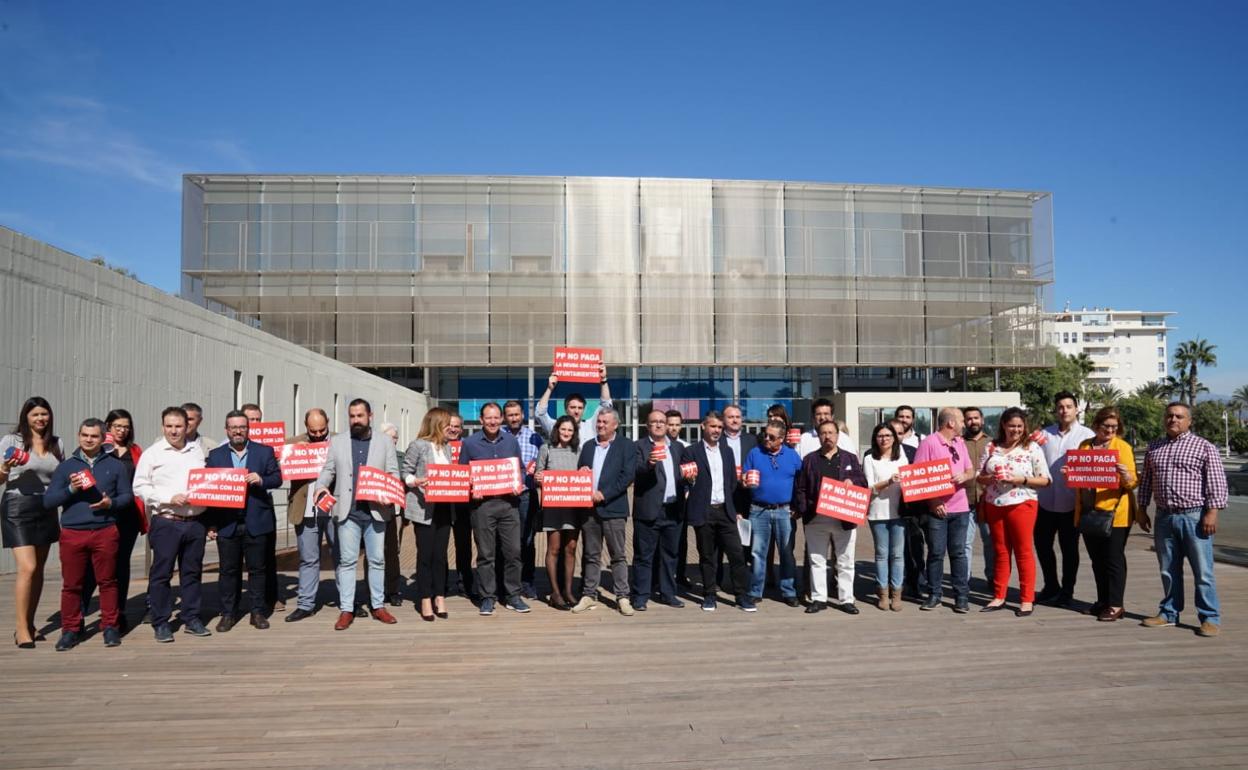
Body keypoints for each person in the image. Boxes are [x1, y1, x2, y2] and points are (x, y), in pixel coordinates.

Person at [1137, 402, 1228, 637]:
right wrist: (1142, 507)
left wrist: (1212, 512)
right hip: (1164, 517)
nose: (1173, 420)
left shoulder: (1204, 447)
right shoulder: (1154, 447)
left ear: (1189, 421)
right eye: (1169, 416)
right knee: (1168, 569)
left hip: (1194, 516)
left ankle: (1209, 617)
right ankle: (1169, 612)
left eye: (1179, 416)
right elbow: (1146, 480)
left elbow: (1216, 482)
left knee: (1203, 571)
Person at [45, 418, 132, 650]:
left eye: (94, 436)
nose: (88, 439)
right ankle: (71, 629)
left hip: (105, 530)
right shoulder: (66, 466)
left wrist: (109, 503)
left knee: (108, 581)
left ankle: (110, 626)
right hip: (74, 532)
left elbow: (127, 497)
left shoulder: (116, 466)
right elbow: (49, 500)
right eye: (84, 435)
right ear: (78, 435)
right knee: (72, 584)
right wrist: (71, 489)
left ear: (103, 438)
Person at [316, 398, 401, 630]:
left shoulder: (384, 442)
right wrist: (320, 486)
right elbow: (328, 470)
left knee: (376, 560)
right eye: (352, 416)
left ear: (370, 416)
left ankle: (378, 606)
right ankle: (346, 609)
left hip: (376, 511)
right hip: (347, 512)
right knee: (347, 562)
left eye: (360, 416)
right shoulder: (338, 442)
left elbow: (393, 473)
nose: (355, 420)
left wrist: (388, 492)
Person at [133, 406, 211, 643]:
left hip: (195, 521)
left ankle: (191, 618)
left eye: (179, 426)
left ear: (187, 427)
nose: (174, 431)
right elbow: (140, 486)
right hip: (167, 521)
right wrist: (168, 497)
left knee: (192, 573)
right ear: (162, 426)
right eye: (169, 426)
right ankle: (161, 621)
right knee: (161, 574)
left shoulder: (197, 451)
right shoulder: (153, 453)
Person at [206, 410, 282, 631]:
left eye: (242, 427)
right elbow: (210, 492)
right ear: (226, 430)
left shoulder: (264, 451)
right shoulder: (215, 455)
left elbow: (277, 478)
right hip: (227, 521)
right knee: (228, 570)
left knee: (258, 569)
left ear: (249, 429)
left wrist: (262, 479)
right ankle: (228, 613)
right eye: (233, 427)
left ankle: (257, 612)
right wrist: (210, 523)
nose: (238, 431)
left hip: (256, 520)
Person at [1, 397, 64, 648]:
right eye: (35, 414)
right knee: (26, 568)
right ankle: (20, 628)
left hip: (46, 507)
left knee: (37, 570)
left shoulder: (57, 443)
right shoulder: (12, 441)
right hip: (18, 505)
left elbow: (60, 477)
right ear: (26, 417)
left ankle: (30, 622)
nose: (40, 419)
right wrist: (5, 466)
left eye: (44, 414)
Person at [977, 407, 1052, 617]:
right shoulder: (992, 446)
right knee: (1000, 551)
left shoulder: (1032, 447)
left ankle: (1027, 599)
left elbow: (1045, 479)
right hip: (995, 503)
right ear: (1003, 425)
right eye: (1012, 426)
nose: (1016, 430)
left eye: (1019, 426)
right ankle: (999, 596)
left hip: (1022, 503)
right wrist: (989, 479)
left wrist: (1021, 480)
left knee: (1023, 551)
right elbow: (979, 476)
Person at [459, 402, 528, 617]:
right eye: (488, 418)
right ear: (481, 420)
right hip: (482, 507)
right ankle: (487, 597)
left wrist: (520, 482)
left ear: (501, 419)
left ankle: (513, 595)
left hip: (509, 505)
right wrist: (472, 488)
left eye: (496, 417)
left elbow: (522, 470)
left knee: (513, 553)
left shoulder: (511, 441)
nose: (492, 421)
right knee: (486, 554)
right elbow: (463, 475)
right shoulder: (469, 444)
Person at [1071, 407, 1138, 622]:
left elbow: (1132, 482)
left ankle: (1116, 604)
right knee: (1096, 560)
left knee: (1114, 559)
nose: (1110, 430)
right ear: (1096, 425)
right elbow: (1078, 474)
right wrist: (1070, 472)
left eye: (1114, 427)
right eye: (1106, 426)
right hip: (1089, 512)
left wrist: (1125, 475)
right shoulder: (1085, 446)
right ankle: (1103, 601)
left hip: (1115, 513)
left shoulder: (1123, 447)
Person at [793, 420, 867, 614]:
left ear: (837, 435)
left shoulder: (850, 458)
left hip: (844, 517)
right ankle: (819, 598)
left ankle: (846, 599)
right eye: (823, 433)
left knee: (845, 560)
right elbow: (800, 488)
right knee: (817, 560)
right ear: (819, 436)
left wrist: (854, 482)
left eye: (831, 432)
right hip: (817, 518)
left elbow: (863, 483)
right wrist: (805, 507)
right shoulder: (809, 459)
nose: (828, 436)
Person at [684, 412, 753, 611]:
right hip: (704, 511)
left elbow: (732, 481)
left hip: (725, 511)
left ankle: (741, 596)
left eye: (719, 428)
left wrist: (734, 508)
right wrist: (688, 482)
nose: (716, 431)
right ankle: (709, 595)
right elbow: (686, 480)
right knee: (708, 557)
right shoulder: (692, 451)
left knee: (737, 555)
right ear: (703, 427)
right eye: (713, 427)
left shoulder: (727, 451)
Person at [912, 408, 977, 613]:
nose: (964, 424)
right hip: (937, 510)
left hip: (961, 508)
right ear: (950, 423)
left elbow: (970, 470)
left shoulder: (960, 443)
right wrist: (933, 502)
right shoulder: (929, 443)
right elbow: (918, 477)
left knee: (958, 553)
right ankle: (934, 595)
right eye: (960, 420)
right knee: (936, 553)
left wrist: (965, 477)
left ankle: (961, 596)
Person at [572, 408, 636, 614]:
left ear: (615, 424)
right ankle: (589, 594)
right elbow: (581, 469)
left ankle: (622, 596)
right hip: (589, 510)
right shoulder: (589, 446)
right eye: (598, 421)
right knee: (591, 554)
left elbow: (626, 477)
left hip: (613, 508)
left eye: (605, 422)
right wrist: (581, 472)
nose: (600, 425)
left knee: (618, 555)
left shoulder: (626, 446)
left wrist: (604, 494)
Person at [1035, 391, 1095, 607]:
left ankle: (1067, 590)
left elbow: (1093, 468)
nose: (1064, 410)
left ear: (1076, 408)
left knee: (1069, 550)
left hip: (1072, 504)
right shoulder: (1044, 434)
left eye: (1068, 406)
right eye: (1060, 407)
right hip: (1045, 501)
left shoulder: (1087, 436)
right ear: (1056, 409)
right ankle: (1051, 585)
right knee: (1042, 546)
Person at [401, 407, 457, 621]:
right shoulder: (418, 445)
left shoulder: (448, 448)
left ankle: (440, 596)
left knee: (441, 556)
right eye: (447, 424)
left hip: (444, 507)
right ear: (436, 424)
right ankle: (425, 598)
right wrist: (414, 481)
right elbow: (405, 470)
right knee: (425, 555)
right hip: (423, 507)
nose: (450, 428)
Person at [742, 419, 803, 607]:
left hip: (784, 510)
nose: (766, 438)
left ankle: (788, 591)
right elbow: (744, 476)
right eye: (765, 434)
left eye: (771, 437)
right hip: (758, 510)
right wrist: (744, 481)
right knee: (757, 553)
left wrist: (798, 506)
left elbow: (801, 483)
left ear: (782, 439)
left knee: (786, 553)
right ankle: (755, 591)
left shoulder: (792, 456)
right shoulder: (755, 452)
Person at [632, 410, 687, 610]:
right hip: (648, 510)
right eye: (654, 422)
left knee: (670, 555)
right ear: (647, 426)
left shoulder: (679, 447)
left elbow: (683, 474)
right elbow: (634, 472)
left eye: (662, 422)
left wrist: (689, 478)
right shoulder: (639, 446)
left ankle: (668, 593)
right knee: (643, 556)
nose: (658, 425)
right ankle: (640, 596)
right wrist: (649, 464)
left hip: (673, 509)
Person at [285, 408, 332, 623]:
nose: (318, 434)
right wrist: (293, 452)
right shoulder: (292, 443)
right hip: (305, 509)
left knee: (342, 557)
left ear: (328, 423)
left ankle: (348, 603)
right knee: (308, 559)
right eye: (313, 431)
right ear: (306, 427)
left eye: (322, 430)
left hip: (333, 509)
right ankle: (305, 604)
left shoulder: (338, 442)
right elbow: (276, 466)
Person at [535, 415, 585, 610]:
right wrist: (539, 477)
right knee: (554, 548)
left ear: (574, 433)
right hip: (553, 506)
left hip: (573, 507)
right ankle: (555, 593)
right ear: (557, 430)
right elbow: (538, 475)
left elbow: (584, 473)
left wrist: (584, 472)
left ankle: (568, 591)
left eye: (570, 430)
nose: (566, 433)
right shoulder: (546, 449)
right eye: (563, 429)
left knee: (571, 549)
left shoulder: (577, 451)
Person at [238, 403, 284, 612]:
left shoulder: (271, 445)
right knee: (235, 559)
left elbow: (279, 475)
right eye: (251, 420)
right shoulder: (228, 443)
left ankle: (271, 597)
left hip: (263, 504)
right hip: (236, 509)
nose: (254, 424)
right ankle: (235, 601)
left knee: (266, 555)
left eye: (258, 419)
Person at [863, 423, 909, 611]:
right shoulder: (869, 459)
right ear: (875, 438)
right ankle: (882, 592)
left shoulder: (902, 457)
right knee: (882, 554)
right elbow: (870, 488)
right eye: (880, 435)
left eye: (888, 435)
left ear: (894, 438)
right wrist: (888, 482)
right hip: (878, 512)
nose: (884, 439)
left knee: (897, 555)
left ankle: (897, 593)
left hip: (899, 511)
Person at [502, 400, 543, 599]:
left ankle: (527, 582)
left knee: (527, 540)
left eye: (517, 414)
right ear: (504, 417)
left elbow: (544, 464)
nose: (514, 418)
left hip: (527, 495)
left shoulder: (535, 437)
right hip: (503, 496)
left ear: (522, 415)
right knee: (504, 540)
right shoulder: (498, 436)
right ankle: (506, 582)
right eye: (510, 415)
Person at [536, 362, 612, 445]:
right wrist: (549, 389)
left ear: (584, 410)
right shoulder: (556, 426)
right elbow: (540, 414)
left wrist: (603, 379)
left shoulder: (591, 425)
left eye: (580, 408)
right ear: (566, 409)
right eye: (573, 407)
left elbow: (606, 406)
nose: (576, 411)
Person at [961, 407, 993, 588]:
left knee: (990, 541)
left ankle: (992, 579)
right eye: (969, 419)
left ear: (982, 419)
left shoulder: (992, 443)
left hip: (987, 499)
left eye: (976, 418)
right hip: (964, 500)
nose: (973, 421)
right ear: (965, 422)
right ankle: (964, 580)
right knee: (964, 543)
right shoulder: (958, 443)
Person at [895, 417, 926, 599]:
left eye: (900, 433)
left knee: (913, 548)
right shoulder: (871, 453)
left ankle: (914, 584)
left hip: (910, 507)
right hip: (886, 509)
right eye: (893, 432)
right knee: (891, 551)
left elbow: (922, 475)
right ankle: (892, 586)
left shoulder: (913, 451)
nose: (896, 436)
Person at [446, 411, 476, 601]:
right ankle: (440, 584)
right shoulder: (435, 447)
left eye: (457, 426)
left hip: (463, 503)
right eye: (450, 426)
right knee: (439, 547)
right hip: (440, 502)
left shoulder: (469, 446)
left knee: (463, 545)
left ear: (462, 429)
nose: (453, 429)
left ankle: (465, 583)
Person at [375, 421, 404, 607]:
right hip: (375, 509)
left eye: (395, 438)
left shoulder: (401, 456)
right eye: (390, 437)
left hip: (396, 511)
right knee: (374, 552)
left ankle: (393, 590)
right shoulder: (373, 455)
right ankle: (375, 589)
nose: (393, 441)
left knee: (393, 551)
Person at [664, 409, 692, 586]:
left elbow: (691, 473)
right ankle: (660, 577)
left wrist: (689, 489)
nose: (673, 428)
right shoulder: (657, 445)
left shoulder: (686, 447)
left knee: (681, 541)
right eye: (670, 424)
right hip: (662, 500)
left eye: (676, 425)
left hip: (681, 500)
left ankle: (680, 574)